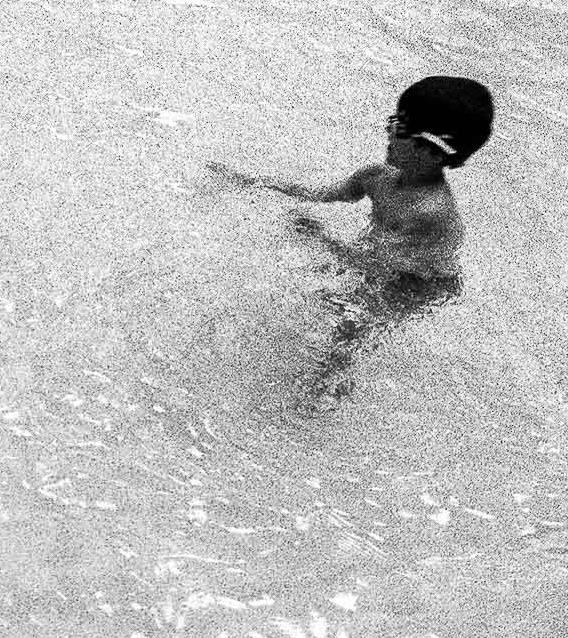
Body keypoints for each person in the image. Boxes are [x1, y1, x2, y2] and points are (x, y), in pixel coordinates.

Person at [210, 76, 494, 407]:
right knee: (332, 302)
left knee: (351, 329)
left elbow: (375, 263)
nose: (388, 131)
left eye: (400, 127)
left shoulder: (429, 211)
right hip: (387, 259)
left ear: (431, 152)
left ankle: (315, 405)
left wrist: (321, 238)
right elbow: (318, 194)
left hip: (421, 282)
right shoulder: (376, 177)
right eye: (393, 121)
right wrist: (250, 182)